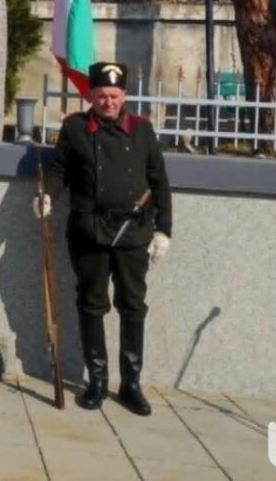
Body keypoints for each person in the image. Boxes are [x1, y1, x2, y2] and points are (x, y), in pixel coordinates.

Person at [38, 61, 172, 415]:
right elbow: (59, 170)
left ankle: (131, 384)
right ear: (91, 96)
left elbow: (159, 181)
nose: (108, 102)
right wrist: (48, 194)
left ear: (124, 95)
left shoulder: (142, 130)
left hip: (132, 234)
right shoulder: (75, 128)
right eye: (100, 96)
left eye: (114, 95)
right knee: (92, 305)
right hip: (90, 233)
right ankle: (96, 380)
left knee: (132, 307)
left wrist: (163, 230)